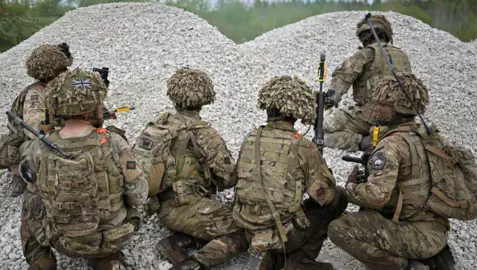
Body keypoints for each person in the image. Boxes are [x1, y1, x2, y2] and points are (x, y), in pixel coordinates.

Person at [19, 68, 148, 270]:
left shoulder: (40, 146)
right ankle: (106, 259)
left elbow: (31, 182)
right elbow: (139, 196)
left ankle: (40, 260)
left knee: (30, 198)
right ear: (97, 106)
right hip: (111, 239)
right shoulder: (114, 142)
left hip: (62, 242)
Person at [328, 73, 457, 270]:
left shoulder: (390, 145)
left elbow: (376, 197)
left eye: (383, 104)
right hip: (436, 228)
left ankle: (405, 266)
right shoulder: (428, 135)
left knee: (338, 229)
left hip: (413, 232)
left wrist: (350, 187)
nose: (377, 108)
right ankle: (431, 255)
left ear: (397, 108)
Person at [135, 67, 247, 270]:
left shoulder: (161, 125)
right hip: (187, 208)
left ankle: (177, 242)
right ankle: (192, 265)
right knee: (245, 230)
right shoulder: (204, 133)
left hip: (161, 206)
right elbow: (228, 179)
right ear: (204, 97)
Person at [233, 76, 348, 270]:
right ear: (296, 112)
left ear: (268, 106)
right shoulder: (302, 146)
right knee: (338, 196)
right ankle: (298, 260)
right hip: (283, 234)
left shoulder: (251, 138)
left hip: (247, 229)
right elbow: (324, 197)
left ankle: (272, 258)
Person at [323, 14, 412, 152]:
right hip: (403, 116)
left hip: (374, 115)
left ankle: (364, 142)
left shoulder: (366, 53)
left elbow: (343, 77)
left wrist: (329, 100)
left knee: (324, 128)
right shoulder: (402, 56)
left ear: (364, 38)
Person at [0, 43, 73, 197]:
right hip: (28, 141)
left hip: (54, 133)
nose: (67, 72)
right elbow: (35, 130)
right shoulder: (35, 94)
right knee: (40, 147)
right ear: (51, 72)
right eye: (62, 70)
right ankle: (23, 173)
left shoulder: (58, 88)